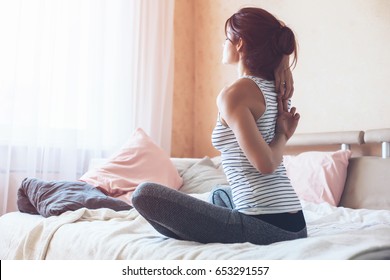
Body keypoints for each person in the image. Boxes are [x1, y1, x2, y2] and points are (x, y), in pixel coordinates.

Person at [132, 7, 307, 245]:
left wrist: (281, 136)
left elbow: (265, 164)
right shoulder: (276, 88)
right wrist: (281, 135)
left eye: (226, 38)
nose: (222, 44)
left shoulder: (235, 94)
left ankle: (195, 233)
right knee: (218, 193)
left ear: (240, 44)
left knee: (144, 194)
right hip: (295, 224)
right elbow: (268, 160)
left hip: (264, 226)